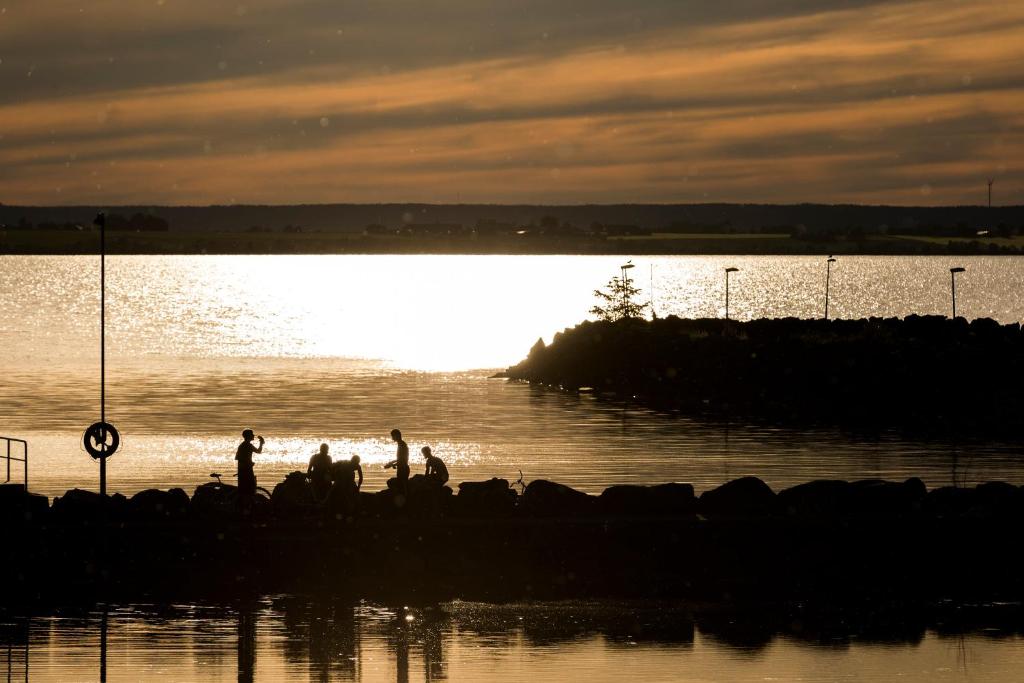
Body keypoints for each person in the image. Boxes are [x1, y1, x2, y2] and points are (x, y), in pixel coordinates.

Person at [235, 429, 264, 502]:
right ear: (248, 436)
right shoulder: (246, 445)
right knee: (249, 488)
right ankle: (246, 507)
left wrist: (261, 443)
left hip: (244, 469)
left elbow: (258, 451)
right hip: (246, 470)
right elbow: (258, 451)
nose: (253, 435)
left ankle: (246, 505)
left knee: (245, 488)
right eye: (252, 434)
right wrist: (249, 463)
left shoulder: (244, 445)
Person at [384, 428, 410, 496]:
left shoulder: (402, 445)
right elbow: (400, 458)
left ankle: (405, 500)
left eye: (393, 436)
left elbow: (402, 460)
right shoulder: (401, 444)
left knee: (402, 486)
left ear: (397, 435)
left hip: (403, 469)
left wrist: (391, 465)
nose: (392, 438)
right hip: (401, 468)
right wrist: (392, 463)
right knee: (401, 486)